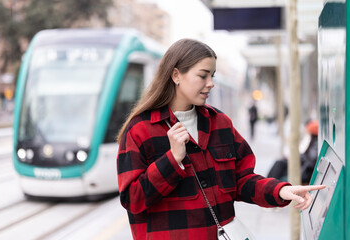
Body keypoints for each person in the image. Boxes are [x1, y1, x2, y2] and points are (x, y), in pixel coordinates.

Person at [116, 39, 325, 240]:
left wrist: (281, 190)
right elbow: (133, 200)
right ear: (176, 75)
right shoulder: (140, 130)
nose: (211, 84)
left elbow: (241, 180)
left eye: (212, 75)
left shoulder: (220, 123)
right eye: (203, 75)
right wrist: (172, 160)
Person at [267, 120, 319, 184]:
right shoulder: (313, 142)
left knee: (280, 165)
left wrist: (297, 159)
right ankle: (269, 184)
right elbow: (307, 156)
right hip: (303, 166)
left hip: (304, 171)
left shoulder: (315, 144)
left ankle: (270, 184)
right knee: (279, 163)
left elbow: (310, 160)